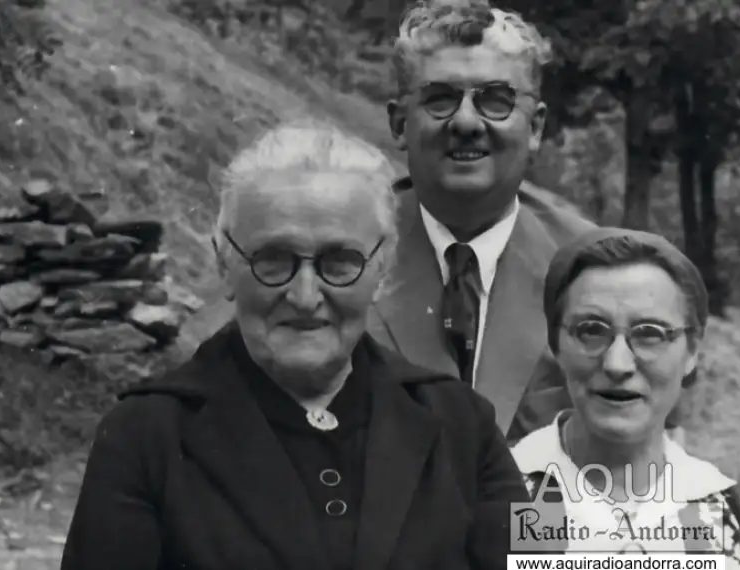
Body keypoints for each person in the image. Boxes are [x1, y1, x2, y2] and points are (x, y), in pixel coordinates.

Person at [60, 119, 529, 570]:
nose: (305, 297)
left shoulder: (466, 423)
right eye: (273, 260)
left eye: (340, 263)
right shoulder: (143, 437)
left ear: (381, 270)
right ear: (226, 265)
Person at [176, 0, 607, 444]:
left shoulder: (593, 268)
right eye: (440, 100)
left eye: (495, 101)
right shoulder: (331, 245)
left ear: (535, 128)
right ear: (400, 123)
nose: (465, 121)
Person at [509, 227, 740, 561]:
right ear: (555, 345)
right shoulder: (503, 491)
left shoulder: (716, 508)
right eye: (591, 330)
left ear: (692, 351)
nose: (617, 364)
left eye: (650, 334)